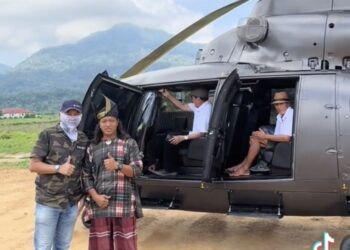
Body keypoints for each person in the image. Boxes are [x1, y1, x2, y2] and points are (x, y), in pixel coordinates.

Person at [82, 97, 143, 250]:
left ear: (117, 122)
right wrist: (95, 197)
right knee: (101, 246)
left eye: (111, 120)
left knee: (126, 245)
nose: (108, 124)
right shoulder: (92, 147)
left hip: (124, 204)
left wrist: (118, 165)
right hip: (100, 204)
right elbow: (85, 176)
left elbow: (137, 170)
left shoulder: (129, 143)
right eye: (104, 121)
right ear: (99, 124)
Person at [29, 100, 88, 250]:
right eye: (69, 113)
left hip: (71, 203)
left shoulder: (83, 138)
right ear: (61, 114)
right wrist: (58, 168)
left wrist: (82, 199)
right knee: (43, 246)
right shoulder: (48, 134)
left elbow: (84, 170)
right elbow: (34, 165)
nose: (73, 117)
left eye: (76, 114)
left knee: (63, 246)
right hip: (49, 201)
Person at [227, 91, 294, 177]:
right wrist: (260, 135)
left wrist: (264, 136)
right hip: (279, 143)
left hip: (286, 145)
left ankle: (245, 168)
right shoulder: (280, 116)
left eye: (281, 104)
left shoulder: (290, 114)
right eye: (276, 104)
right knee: (254, 136)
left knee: (256, 140)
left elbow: (286, 138)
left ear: (287, 104)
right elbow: (277, 135)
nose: (278, 107)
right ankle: (242, 166)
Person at [149, 87, 212, 176]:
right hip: (194, 135)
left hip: (199, 140)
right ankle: (157, 165)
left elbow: (201, 133)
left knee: (170, 139)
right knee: (167, 134)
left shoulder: (206, 110)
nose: (192, 100)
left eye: (192, 97)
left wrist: (182, 138)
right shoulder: (200, 105)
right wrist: (168, 96)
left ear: (198, 98)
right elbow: (182, 106)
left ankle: (170, 170)